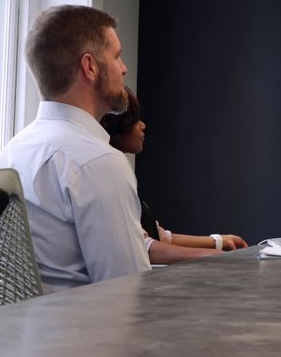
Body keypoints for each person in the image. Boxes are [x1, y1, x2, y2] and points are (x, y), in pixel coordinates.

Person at [0, 5, 150, 292]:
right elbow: (128, 293)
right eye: (116, 56)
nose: (124, 68)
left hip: (22, 332)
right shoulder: (98, 162)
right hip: (87, 334)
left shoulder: (10, 153)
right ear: (90, 67)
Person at [100, 87, 247, 263]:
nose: (143, 125)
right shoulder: (108, 175)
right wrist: (213, 256)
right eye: (135, 120)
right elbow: (144, 248)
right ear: (118, 128)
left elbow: (159, 237)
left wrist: (219, 242)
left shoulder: (119, 171)